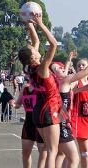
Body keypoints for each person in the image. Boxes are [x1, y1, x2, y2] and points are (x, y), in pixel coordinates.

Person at [18, 13, 68, 168]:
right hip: (49, 108)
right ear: (33, 57)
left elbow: (36, 41)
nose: (35, 48)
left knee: (51, 149)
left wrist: (29, 23)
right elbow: (53, 44)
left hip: (39, 110)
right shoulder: (42, 68)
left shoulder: (28, 67)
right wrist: (40, 24)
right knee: (52, 151)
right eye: (33, 50)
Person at [50, 53, 88, 168]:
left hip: (85, 119)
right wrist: (81, 89)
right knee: (67, 153)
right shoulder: (75, 81)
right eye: (79, 65)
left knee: (85, 151)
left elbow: (86, 104)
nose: (81, 67)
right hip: (73, 118)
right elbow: (66, 92)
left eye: (83, 65)